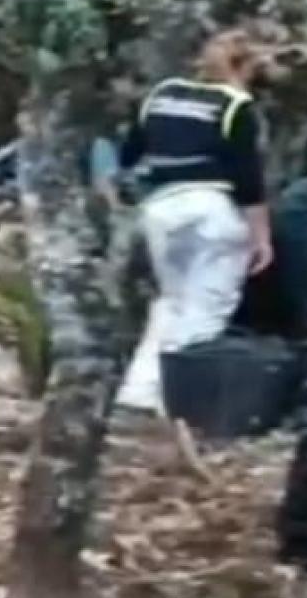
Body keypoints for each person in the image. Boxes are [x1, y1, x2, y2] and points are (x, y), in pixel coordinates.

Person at [113, 30, 276, 414]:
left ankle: (138, 389)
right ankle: (179, 396)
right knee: (207, 304)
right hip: (211, 208)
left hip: (160, 209)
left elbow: (130, 153)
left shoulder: (163, 93)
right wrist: (261, 235)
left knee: (169, 300)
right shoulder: (236, 106)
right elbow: (247, 178)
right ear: (247, 67)